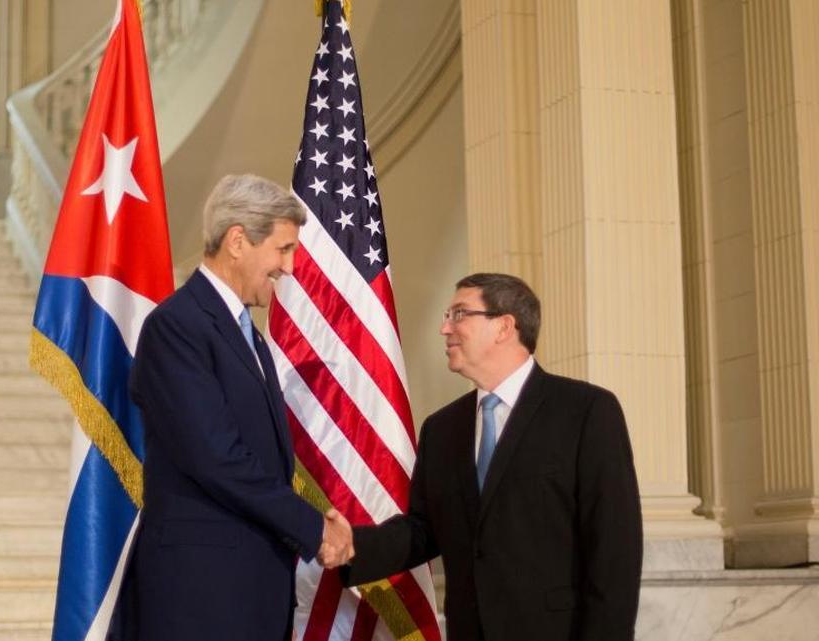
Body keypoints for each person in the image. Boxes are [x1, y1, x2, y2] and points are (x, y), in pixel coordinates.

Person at [331, 272, 642, 641]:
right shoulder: (442, 428)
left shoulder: (586, 411)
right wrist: (353, 545)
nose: (445, 328)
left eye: (459, 314)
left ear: (504, 327)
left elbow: (614, 551)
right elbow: (422, 530)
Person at [125, 174, 352, 641]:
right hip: (200, 595)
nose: (288, 267)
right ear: (237, 241)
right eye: (282, 249)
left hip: (249, 590)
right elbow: (216, 457)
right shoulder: (176, 327)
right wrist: (312, 527)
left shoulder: (248, 335)